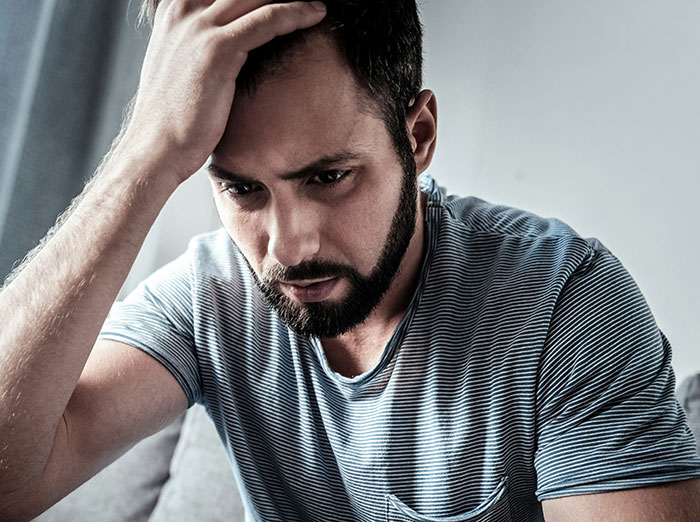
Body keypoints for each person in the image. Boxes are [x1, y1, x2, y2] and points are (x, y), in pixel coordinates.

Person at [1, 0, 699, 520]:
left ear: (418, 134)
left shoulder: (567, 309)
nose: (289, 245)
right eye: (242, 188)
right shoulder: (211, 298)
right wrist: (144, 153)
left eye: (328, 177)